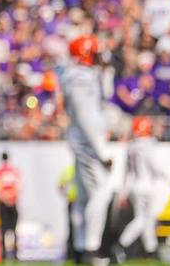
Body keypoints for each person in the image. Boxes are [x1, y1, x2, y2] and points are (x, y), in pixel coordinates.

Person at [59, 35, 113, 266]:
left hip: (84, 141)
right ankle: (90, 249)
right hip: (88, 143)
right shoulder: (79, 77)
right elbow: (85, 115)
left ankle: (81, 249)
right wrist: (102, 149)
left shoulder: (83, 75)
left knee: (83, 197)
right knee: (100, 193)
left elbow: (105, 96)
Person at [116, 116, 167, 258]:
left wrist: (124, 192)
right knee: (143, 219)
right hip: (148, 186)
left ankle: (152, 250)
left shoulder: (131, 147)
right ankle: (122, 244)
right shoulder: (149, 144)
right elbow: (155, 167)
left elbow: (127, 173)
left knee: (147, 219)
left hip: (135, 186)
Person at [0, 151, 21, 262]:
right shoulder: (13, 171)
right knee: (11, 229)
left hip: (5, 203)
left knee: (5, 229)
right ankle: (12, 252)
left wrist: (5, 200)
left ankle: (5, 252)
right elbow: (18, 187)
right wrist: (10, 200)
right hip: (10, 202)